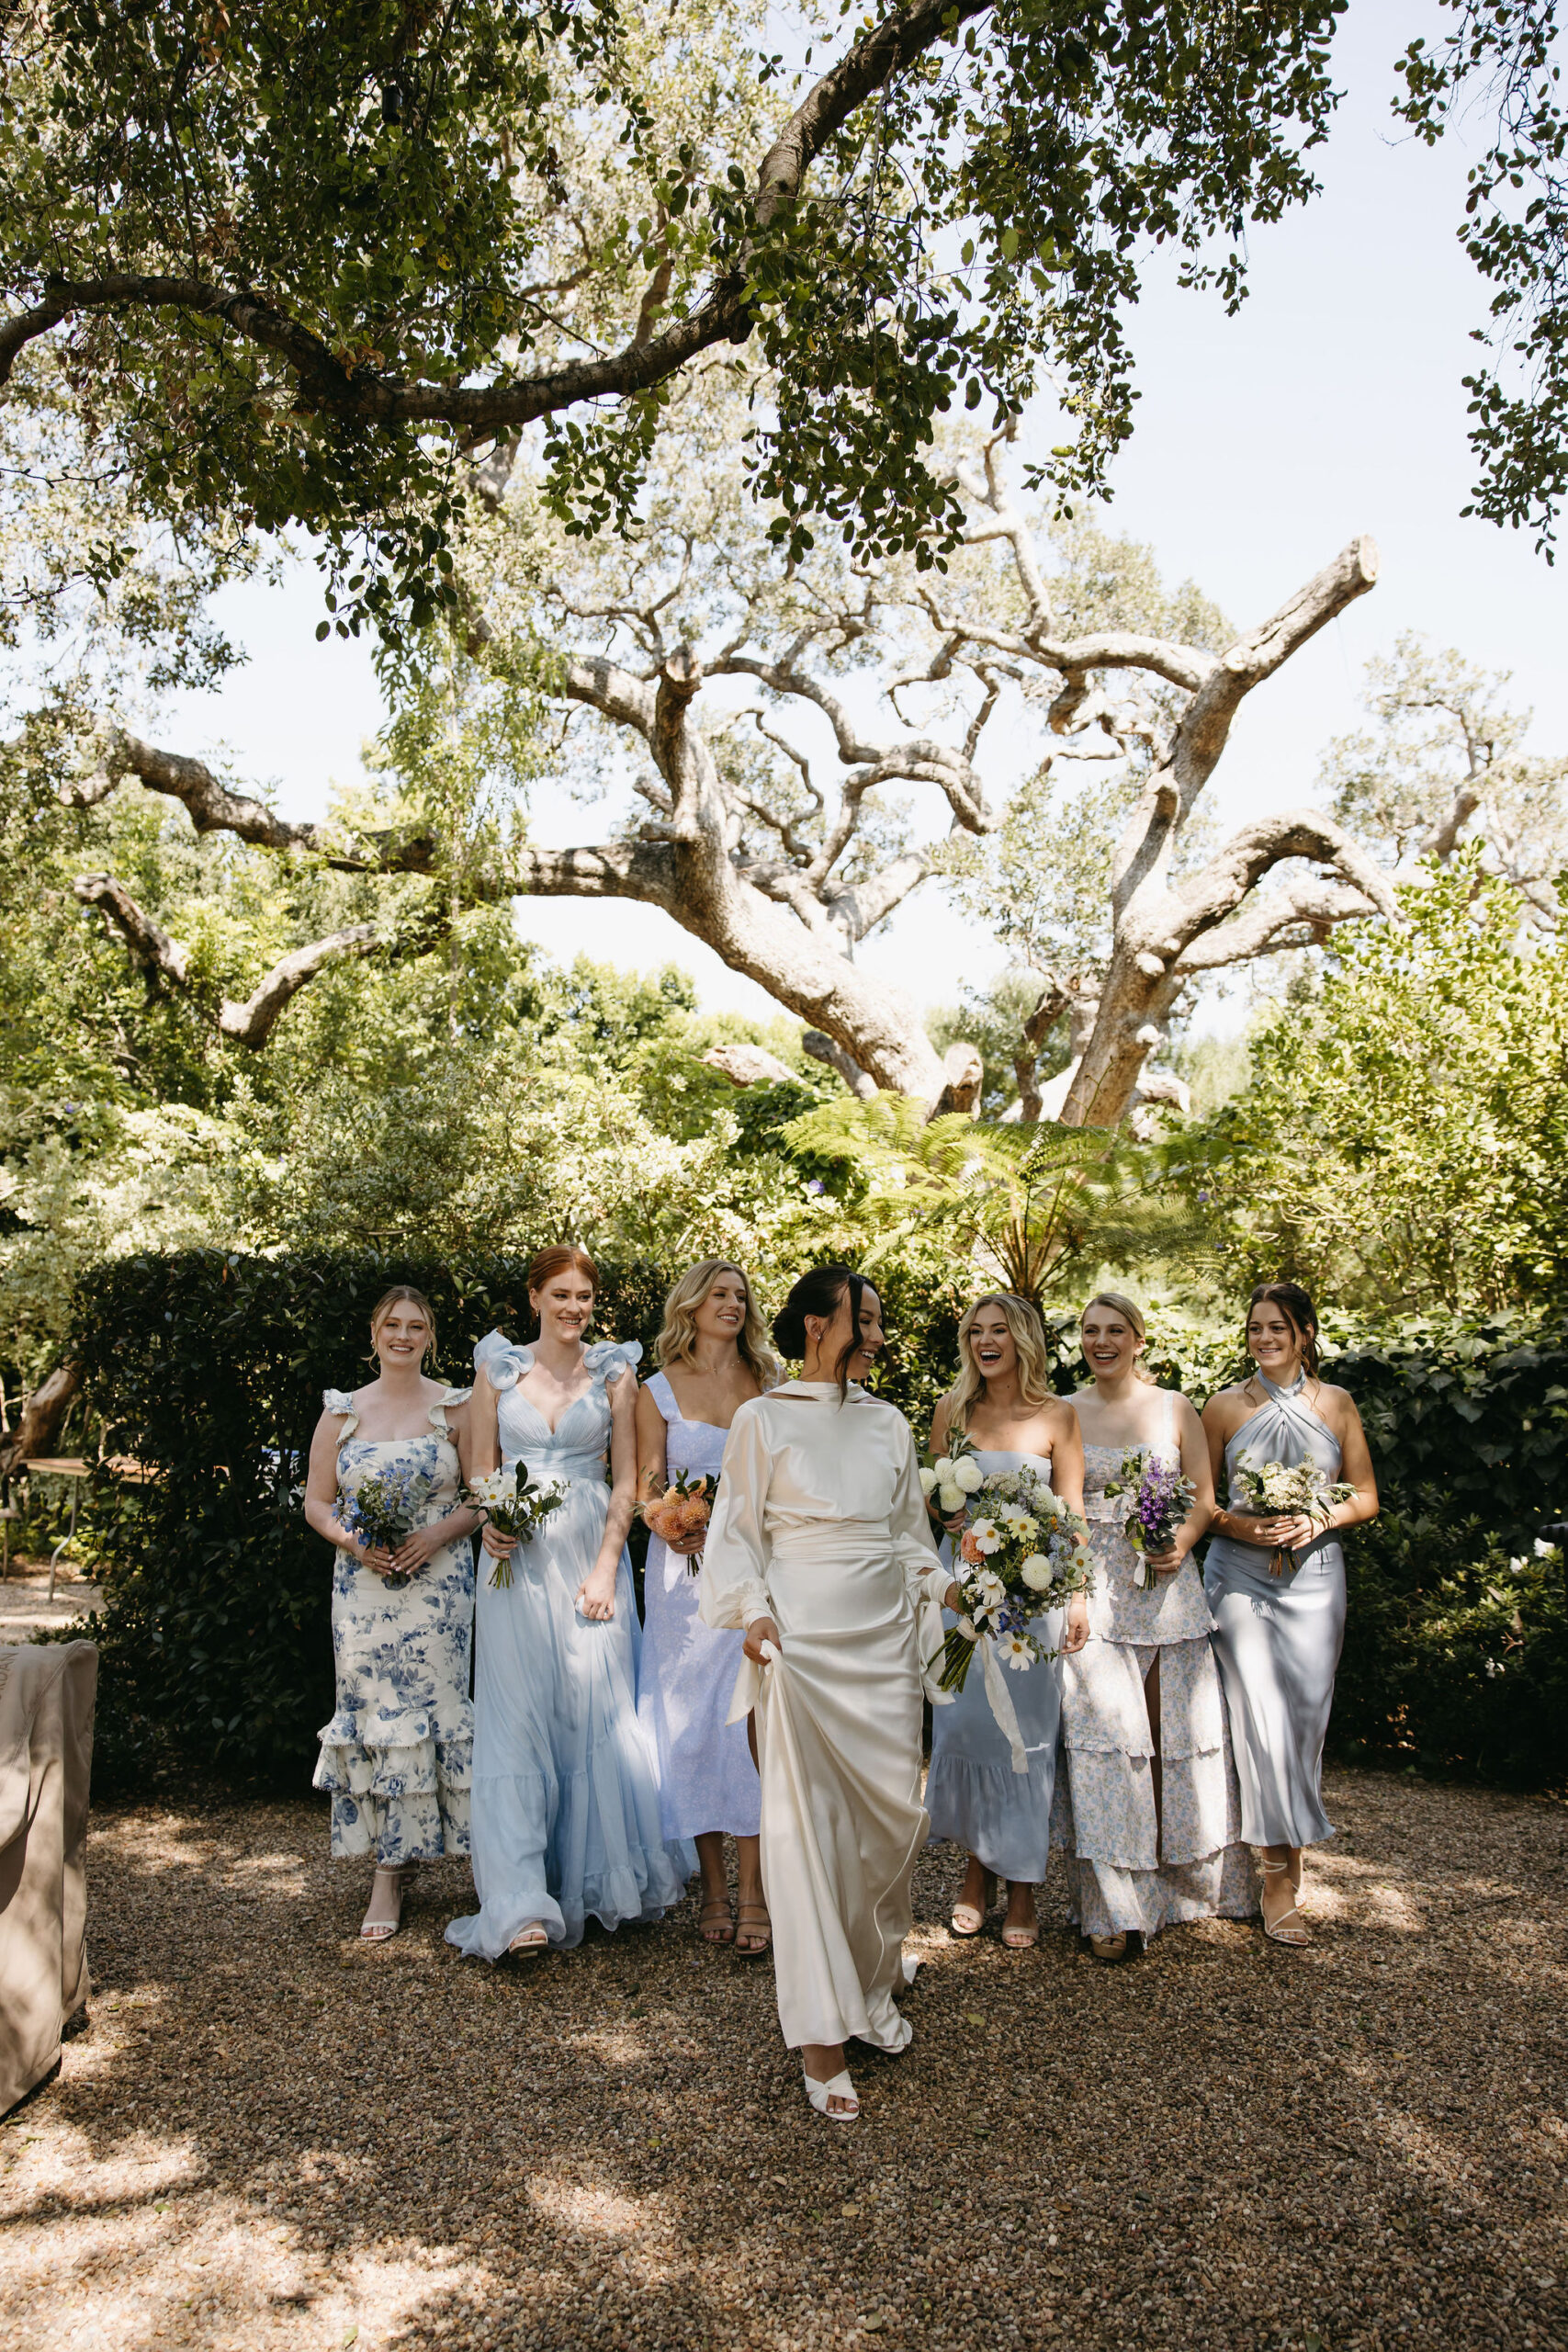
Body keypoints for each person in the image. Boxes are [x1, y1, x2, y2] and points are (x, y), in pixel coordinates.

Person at [699, 1266, 961, 2122]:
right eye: (867, 1319)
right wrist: (752, 1613)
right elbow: (736, 1530)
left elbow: (909, 1539)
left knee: (882, 1833)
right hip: (800, 1651)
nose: (880, 1335)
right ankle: (819, 2037)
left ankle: (869, 1980)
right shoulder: (761, 1418)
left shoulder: (889, 1424)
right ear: (818, 1325)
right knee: (807, 1837)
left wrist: (950, 1590)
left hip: (884, 1654)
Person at [445, 1246, 693, 1962]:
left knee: (592, 1712)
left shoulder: (615, 1372)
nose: (573, 1307)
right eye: (560, 1294)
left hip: (590, 1548)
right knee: (515, 1714)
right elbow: (481, 1466)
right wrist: (493, 1518)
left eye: (584, 1295)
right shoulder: (497, 1368)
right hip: (515, 1562)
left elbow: (627, 1478)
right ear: (533, 1298)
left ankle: (587, 1884)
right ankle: (519, 1901)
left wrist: (608, 1568)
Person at [1057, 1292, 1256, 1962]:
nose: (1101, 1341)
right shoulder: (1066, 1411)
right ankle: (1111, 1909)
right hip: (1095, 1594)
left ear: (1139, 1339)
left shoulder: (1175, 1408)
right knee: (1105, 1751)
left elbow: (1204, 1497)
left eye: (1115, 1330)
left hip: (1167, 1591)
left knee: (1173, 1744)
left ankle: (1179, 1894)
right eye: (1090, 1331)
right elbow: (1064, 1510)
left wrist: (1183, 1538)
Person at [1201, 1282, 1378, 1948]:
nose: (1264, 1337)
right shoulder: (1221, 1408)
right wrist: (1241, 1530)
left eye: (1277, 1326)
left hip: (1316, 1579)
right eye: (1253, 1328)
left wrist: (1314, 1518)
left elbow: (1365, 1497)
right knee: (1261, 1716)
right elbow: (1201, 1505)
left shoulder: (1336, 1404)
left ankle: (1289, 1863)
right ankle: (1276, 1882)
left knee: (1303, 1721)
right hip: (1238, 1580)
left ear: (1304, 1332)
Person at [305, 1286, 479, 1943]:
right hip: (363, 1586)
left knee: (437, 1706)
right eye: (392, 1326)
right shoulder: (342, 1412)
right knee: (374, 1712)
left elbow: (484, 1493)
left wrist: (436, 1536)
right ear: (374, 1334)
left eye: (416, 1326)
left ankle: (461, 1851)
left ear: (429, 1336)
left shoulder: (455, 1407)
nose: (403, 1336)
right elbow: (317, 1503)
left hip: (437, 1583)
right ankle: (388, 1867)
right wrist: (353, 1542)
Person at [925, 1291, 1088, 1950]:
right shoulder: (951, 1411)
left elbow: (1071, 1512)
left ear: (1023, 1339)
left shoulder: (1059, 1415)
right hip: (963, 1590)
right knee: (966, 1727)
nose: (985, 1342)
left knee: (1024, 1735)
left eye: (998, 1331)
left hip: (1031, 1601)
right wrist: (948, 1515)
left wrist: (1077, 1597)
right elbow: (936, 1500)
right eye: (975, 1332)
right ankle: (974, 1873)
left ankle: (1021, 1885)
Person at [636, 1261, 777, 1954]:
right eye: (719, 1294)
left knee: (749, 1721)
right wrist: (668, 1520)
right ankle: (712, 1884)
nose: (732, 1304)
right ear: (690, 1305)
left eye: (740, 1296)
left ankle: (755, 1890)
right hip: (682, 1579)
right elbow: (644, 1487)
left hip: (754, 1573)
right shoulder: (655, 1390)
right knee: (691, 1726)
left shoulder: (769, 1383)